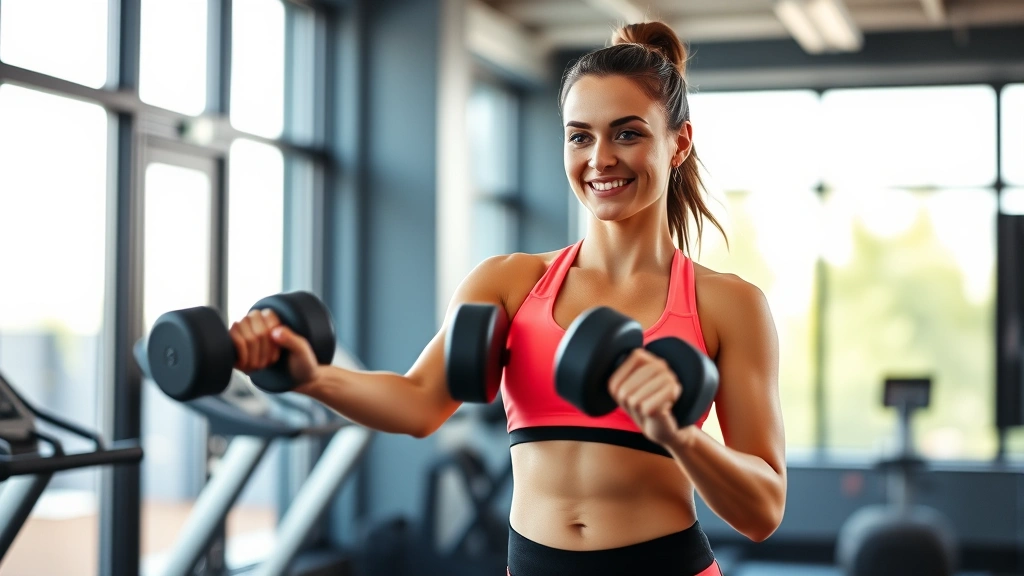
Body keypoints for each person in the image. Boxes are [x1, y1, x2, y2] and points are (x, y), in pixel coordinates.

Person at [229, 21, 786, 576]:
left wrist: (679, 435)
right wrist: (311, 377)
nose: (600, 159)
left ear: (678, 143)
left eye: (628, 133)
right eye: (579, 136)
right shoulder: (508, 283)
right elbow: (418, 403)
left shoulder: (727, 305)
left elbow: (763, 511)